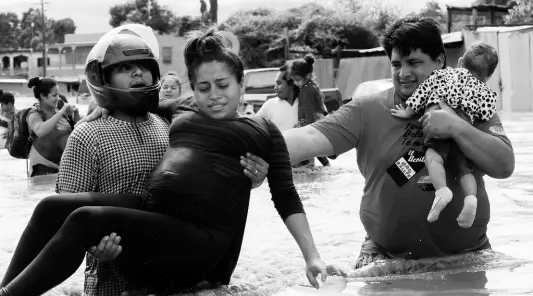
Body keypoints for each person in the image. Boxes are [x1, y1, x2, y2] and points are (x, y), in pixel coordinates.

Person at [0, 27, 338, 296]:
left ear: (241, 83)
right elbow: (134, 103)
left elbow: (287, 196)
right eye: (203, 87)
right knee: (50, 206)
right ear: (193, 88)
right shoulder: (181, 110)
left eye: (223, 85)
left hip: (201, 241)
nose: (214, 95)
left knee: (84, 219)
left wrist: (312, 257)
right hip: (158, 215)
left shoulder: (261, 131)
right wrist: (104, 105)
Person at [282, 17, 514, 269]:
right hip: (385, 258)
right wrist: (253, 142)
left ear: (439, 61)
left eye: (414, 63)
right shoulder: (367, 109)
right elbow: (310, 137)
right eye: (396, 65)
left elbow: (504, 166)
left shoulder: (471, 104)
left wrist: (457, 128)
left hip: (469, 255)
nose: (403, 74)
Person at [390, 42, 499, 228]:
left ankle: (442, 191)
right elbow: (486, 113)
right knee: (464, 170)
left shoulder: (442, 74)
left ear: (460, 61)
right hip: (463, 137)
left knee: (432, 158)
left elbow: (422, 92)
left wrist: (408, 112)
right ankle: (471, 199)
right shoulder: (486, 92)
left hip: (438, 127)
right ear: (488, 76)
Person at [26, 77, 80, 177]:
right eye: (54, 95)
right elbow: (40, 131)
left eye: (58, 94)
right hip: (42, 168)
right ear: (43, 96)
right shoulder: (33, 114)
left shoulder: (59, 109)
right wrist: (61, 112)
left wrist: (75, 113)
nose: (58, 98)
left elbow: (78, 134)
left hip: (62, 167)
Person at [290, 55, 330, 167]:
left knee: (298, 140)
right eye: (294, 80)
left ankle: (306, 164)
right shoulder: (312, 85)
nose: (296, 83)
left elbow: (309, 110)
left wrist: (309, 127)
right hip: (317, 117)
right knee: (313, 147)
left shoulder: (306, 91)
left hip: (311, 119)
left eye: (298, 80)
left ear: (307, 75)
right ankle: (325, 165)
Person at [256, 64, 299, 133]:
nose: (275, 88)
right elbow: (254, 126)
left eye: (279, 83)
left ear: (291, 83)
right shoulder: (270, 104)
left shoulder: (307, 102)